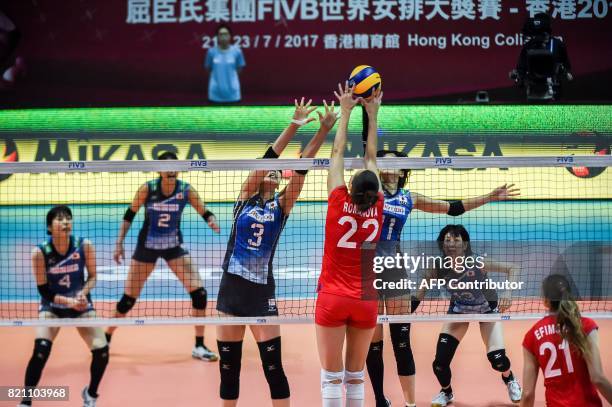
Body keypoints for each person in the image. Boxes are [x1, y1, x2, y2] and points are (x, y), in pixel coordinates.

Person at [365, 148, 520, 407]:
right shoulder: (368, 194)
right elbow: (367, 152)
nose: (387, 163)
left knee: (402, 343)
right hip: (367, 269)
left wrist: (489, 198)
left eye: (395, 161)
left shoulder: (408, 197)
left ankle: (410, 404)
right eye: (383, 160)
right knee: (375, 345)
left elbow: (453, 208)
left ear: (403, 171)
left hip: (394, 267)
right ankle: (381, 399)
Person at [216, 97, 338, 407]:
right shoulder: (244, 199)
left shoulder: (281, 206)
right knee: (229, 371)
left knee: (274, 370)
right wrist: (294, 124)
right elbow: (270, 157)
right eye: (268, 172)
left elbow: (302, 168)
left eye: (275, 173)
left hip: (261, 294)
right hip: (231, 291)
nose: (272, 173)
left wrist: (323, 131)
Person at [105, 151, 220, 362]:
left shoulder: (185, 190)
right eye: (165, 165)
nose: (170, 168)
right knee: (128, 299)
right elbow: (129, 215)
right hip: (146, 247)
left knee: (200, 293)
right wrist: (119, 243)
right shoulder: (148, 189)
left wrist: (211, 220)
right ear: (158, 169)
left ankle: (199, 345)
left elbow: (205, 211)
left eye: (174, 165)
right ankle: (105, 338)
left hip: (173, 246)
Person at [316, 83, 384, 407]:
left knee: (331, 376)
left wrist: (345, 111)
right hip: (366, 300)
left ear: (351, 186)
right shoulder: (379, 207)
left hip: (332, 296)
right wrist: (373, 114)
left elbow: (337, 153)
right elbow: (371, 156)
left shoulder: (337, 200)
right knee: (355, 377)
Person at [413, 224, 523, 407]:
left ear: (465, 245)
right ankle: (446, 392)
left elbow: (513, 268)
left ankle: (509, 378)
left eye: (456, 240)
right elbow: (418, 296)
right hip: (460, 310)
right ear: (442, 245)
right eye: (447, 240)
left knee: (498, 361)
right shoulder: (437, 267)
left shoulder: (476, 262)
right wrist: (397, 314)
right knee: (439, 363)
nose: (451, 244)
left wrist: (508, 293)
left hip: (487, 310)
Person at [18, 206, 108, 407]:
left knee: (102, 349)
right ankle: (25, 401)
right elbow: (44, 291)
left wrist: (82, 295)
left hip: (81, 304)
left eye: (68, 218)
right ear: (50, 227)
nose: (66, 222)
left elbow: (93, 277)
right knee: (41, 350)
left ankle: (91, 394)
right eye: (60, 219)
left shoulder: (83, 245)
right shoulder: (40, 253)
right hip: (53, 306)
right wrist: (68, 302)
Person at [521, 274, 612, 406]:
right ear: (570, 296)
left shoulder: (532, 336)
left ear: (545, 301)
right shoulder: (585, 325)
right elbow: (598, 378)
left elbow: (527, 394)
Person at [509, 13, 572, 100]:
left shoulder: (558, 45)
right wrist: (518, 75)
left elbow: (566, 67)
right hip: (532, 90)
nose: (542, 36)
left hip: (553, 91)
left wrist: (563, 72)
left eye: (544, 33)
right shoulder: (528, 46)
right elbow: (521, 68)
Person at [204, 24, 245, 103]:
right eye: (221, 34)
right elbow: (208, 68)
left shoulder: (237, 51)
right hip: (215, 94)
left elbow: (240, 68)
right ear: (217, 37)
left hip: (233, 94)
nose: (223, 37)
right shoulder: (211, 51)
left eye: (226, 34)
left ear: (230, 36)